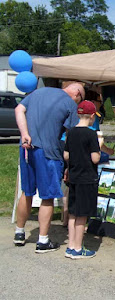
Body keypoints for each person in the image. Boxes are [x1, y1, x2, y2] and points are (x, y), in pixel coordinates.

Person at [13, 82, 84, 252]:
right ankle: (43, 241)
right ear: (76, 94)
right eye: (79, 100)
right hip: (49, 153)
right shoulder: (69, 103)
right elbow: (72, 134)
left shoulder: (37, 92)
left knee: (27, 192)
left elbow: (18, 110)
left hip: (26, 149)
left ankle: (19, 232)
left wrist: (25, 134)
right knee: (47, 196)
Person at [64, 100, 102, 259]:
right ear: (92, 116)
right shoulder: (92, 134)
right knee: (82, 214)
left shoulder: (70, 132)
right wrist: (99, 146)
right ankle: (78, 248)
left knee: (73, 212)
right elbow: (95, 159)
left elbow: (66, 155)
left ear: (79, 114)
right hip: (87, 178)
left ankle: (70, 245)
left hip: (73, 176)